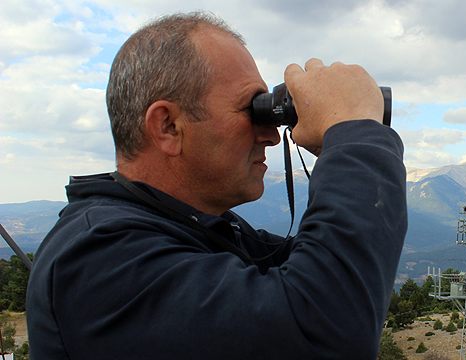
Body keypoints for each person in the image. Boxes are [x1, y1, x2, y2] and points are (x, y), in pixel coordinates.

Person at [25, 12, 407, 359]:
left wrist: (338, 130)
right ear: (168, 126)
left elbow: (333, 276)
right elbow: (326, 329)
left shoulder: (197, 231)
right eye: (251, 110)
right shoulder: (100, 261)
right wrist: (355, 133)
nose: (273, 137)